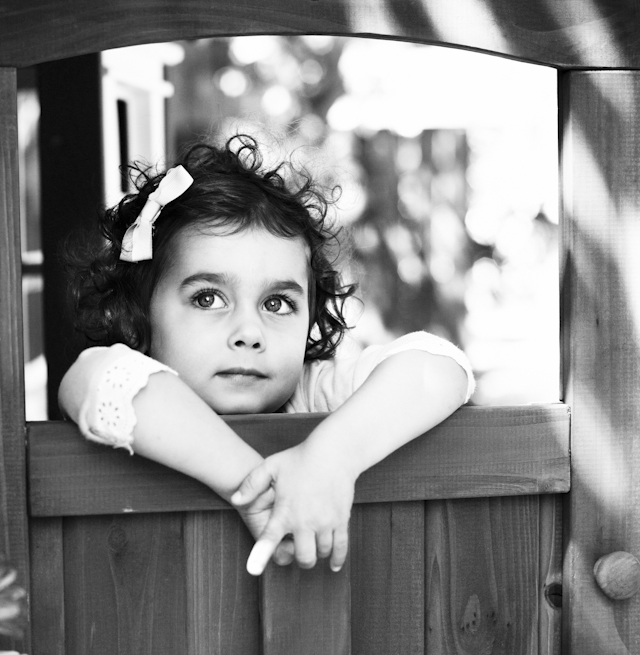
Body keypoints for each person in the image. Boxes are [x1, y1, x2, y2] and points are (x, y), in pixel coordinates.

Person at [58, 134, 474, 576]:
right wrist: (251, 486)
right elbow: (95, 381)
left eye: (276, 304)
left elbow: (439, 367)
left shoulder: (311, 392)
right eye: (207, 298)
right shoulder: (130, 377)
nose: (249, 333)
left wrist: (330, 458)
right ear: (139, 315)